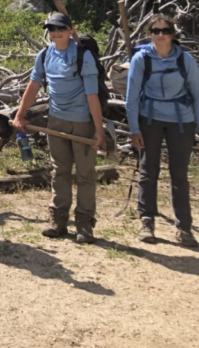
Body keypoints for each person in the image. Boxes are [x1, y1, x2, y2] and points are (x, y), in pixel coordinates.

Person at [12, 13, 105, 243]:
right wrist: (20, 114)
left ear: (70, 30)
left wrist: (98, 129)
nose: (55, 33)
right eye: (51, 29)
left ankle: (84, 224)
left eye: (60, 28)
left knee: (85, 173)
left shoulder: (83, 57)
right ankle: (58, 220)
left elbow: (92, 95)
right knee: (59, 170)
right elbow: (33, 86)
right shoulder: (44, 55)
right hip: (56, 120)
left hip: (82, 121)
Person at [125, 14, 199, 247]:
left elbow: (197, 95)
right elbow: (131, 98)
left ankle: (184, 228)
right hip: (150, 119)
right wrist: (134, 129)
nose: (160, 35)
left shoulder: (185, 60)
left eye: (165, 31)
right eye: (155, 31)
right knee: (148, 171)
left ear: (173, 33)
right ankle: (147, 221)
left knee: (179, 175)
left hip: (182, 121)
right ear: (149, 34)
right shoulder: (141, 59)